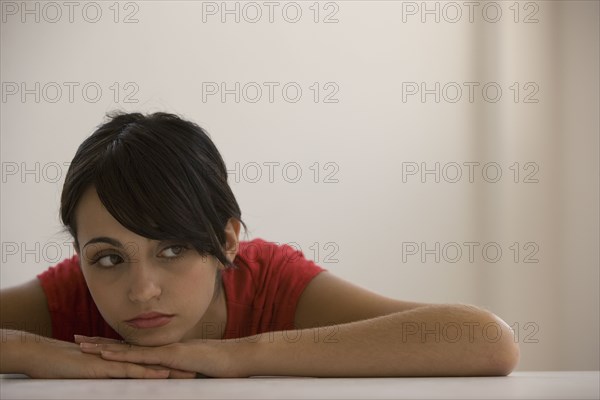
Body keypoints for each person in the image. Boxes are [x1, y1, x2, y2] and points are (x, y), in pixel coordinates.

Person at [0, 111, 520, 378]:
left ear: (226, 240)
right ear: (80, 257)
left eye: (172, 249)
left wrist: (242, 354)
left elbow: (487, 341)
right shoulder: (68, 297)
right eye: (108, 258)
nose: (141, 291)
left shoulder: (271, 282)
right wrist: (27, 352)